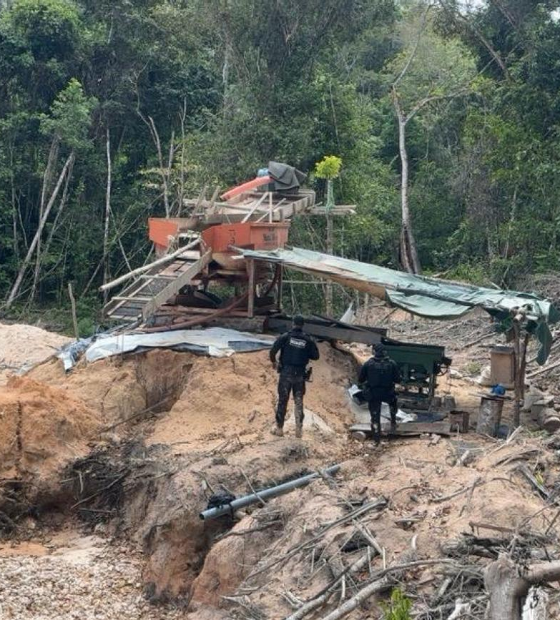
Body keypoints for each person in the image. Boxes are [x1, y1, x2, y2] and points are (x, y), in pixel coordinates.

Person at [269, 315, 319, 438]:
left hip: (286, 373)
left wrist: (274, 362)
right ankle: (298, 430)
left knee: (282, 401)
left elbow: (273, 351)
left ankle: (279, 429)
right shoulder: (308, 340)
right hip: (300, 375)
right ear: (303, 325)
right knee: (298, 401)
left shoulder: (285, 337)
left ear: (293, 323)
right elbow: (316, 356)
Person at [358, 343, 402, 445]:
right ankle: (393, 424)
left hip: (373, 393)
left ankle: (376, 441)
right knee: (393, 404)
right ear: (385, 352)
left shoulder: (368, 364)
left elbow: (361, 379)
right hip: (388, 392)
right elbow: (398, 379)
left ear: (374, 352)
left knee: (374, 417)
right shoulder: (392, 364)